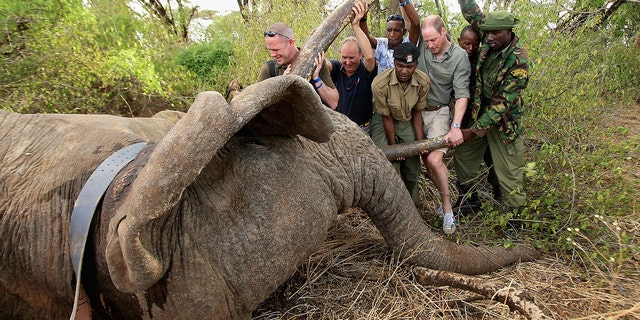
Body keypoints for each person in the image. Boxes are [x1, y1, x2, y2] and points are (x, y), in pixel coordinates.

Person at [454, 0, 530, 224]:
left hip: (503, 122)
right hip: (480, 113)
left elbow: (501, 105)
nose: (488, 38)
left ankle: (515, 220)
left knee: (509, 172)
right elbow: (471, 11)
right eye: (486, 33)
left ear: (509, 32)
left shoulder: (518, 61)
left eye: (495, 34)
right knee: (464, 157)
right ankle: (470, 200)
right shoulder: (489, 35)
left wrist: (473, 131)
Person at [415, 15, 471, 234]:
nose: (429, 45)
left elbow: (462, 95)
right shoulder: (423, 48)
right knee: (425, 164)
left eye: (433, 40)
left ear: (444, 32)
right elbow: (411, 21)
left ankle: (448, 210)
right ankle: (444, 199)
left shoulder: (459, 56)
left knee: (434, 159)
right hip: (416, 112)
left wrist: (455, 125)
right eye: (426, 41)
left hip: (439, 112)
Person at [370, 42, 430, 203]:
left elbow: (417, 111)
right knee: (389, 164)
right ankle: (389, 205)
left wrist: (420, 142)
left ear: (416, 65)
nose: (404, 71)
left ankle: (412, 204)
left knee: (412, 167)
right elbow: (386, 117)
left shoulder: (423, 82)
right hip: (383, 122)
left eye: (409, 67)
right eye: (400, 66)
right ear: (394, 63)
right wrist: (394, 148)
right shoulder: (380, 83)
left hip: (406, 120)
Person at [455, 25, 502, 211]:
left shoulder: (485, 60)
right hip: (468, 119)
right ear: (459, 41)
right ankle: (469, 199)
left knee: (494, 158)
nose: (470, 49)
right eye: (466, 44)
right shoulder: (455, 59)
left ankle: (500, 196)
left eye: (475, 44)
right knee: (463, 156)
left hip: (491, 118)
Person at [258, 22, 339, 109]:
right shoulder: (269, 70)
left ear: (291, 42)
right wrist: (281, 84)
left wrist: (316, 78)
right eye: (270, 50)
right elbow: (259, 107)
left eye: (276, 50)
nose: (272, 54)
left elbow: (333, 103)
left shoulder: (315, 62)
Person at [324, 1, 378, 131]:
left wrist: (355, 26)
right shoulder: (337, 67)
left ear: (360, 55)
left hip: (362, 128)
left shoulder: (366, 70)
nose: (347, 62)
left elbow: (370, 57)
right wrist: (320, 39)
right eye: (344, 57)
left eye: (351, 58)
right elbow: (321, 64)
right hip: (339, 129)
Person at [359, 0, 420, 73]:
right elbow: (366, 38)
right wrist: (363, 18)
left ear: (403, 32)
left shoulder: (408, 44)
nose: (392, 34)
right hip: (383, 84)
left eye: (396, 30)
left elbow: (415, 24)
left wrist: (404, 2)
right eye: (389, 30)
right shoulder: (382, 44)